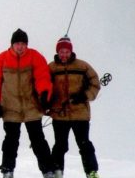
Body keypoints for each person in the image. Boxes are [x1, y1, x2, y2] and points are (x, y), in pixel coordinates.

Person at [0, 29, 55, 178]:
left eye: (23, 43)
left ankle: (48, 171)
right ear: (12, 44)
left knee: (38, 140)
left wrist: (44, 94)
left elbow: (43, 76)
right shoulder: (1, 59)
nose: (20, 46)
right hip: (10, 108)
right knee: (11, 141)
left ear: (27, 45)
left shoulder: (35, 57)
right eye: (17, 43)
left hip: (32, 107)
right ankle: (7, 170)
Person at [48, 37, 101, 178]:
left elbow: (95, 84)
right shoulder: (51, 68)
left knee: (84, 144)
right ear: (57, 52)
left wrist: (84, 96)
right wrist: (47, 104)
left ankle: (91, 172)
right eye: (61, 52)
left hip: (80, 114)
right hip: (60, 114)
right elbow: (44, 87)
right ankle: (57, 172)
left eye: (66, 51)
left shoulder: (82, 66)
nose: (64, 55)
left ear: (71, 51)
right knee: (60, 146)